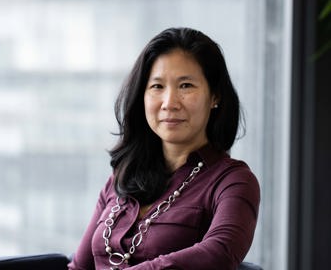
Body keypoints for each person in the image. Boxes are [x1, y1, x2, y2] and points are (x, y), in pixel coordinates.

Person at [68, 27, 260, 270]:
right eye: (157, 86)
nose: (170, 103)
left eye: (186, 86)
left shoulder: (233, 181)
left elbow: (220, 253)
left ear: (215, 96)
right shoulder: (123, 175)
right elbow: (80, 266)